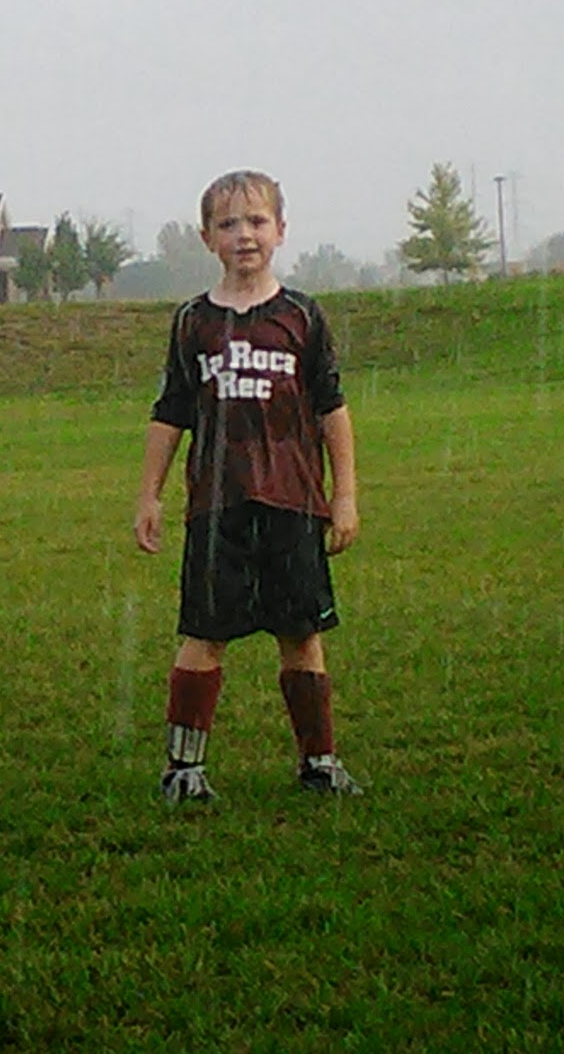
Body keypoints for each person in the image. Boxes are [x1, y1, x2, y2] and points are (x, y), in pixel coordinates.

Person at [133, 169, 363, 802]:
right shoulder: (193, 323)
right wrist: (149, 495)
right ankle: (184, 769)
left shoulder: (301, 318)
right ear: (207, 237)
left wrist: (343, 495)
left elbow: (331, 411)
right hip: (217, 506)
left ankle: (319, 762)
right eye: (229, 224)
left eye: (257, 221)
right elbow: (170, 411)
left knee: (302, 635)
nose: (244, 235)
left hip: (291, 503)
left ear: (281, 230)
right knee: (204, 636)